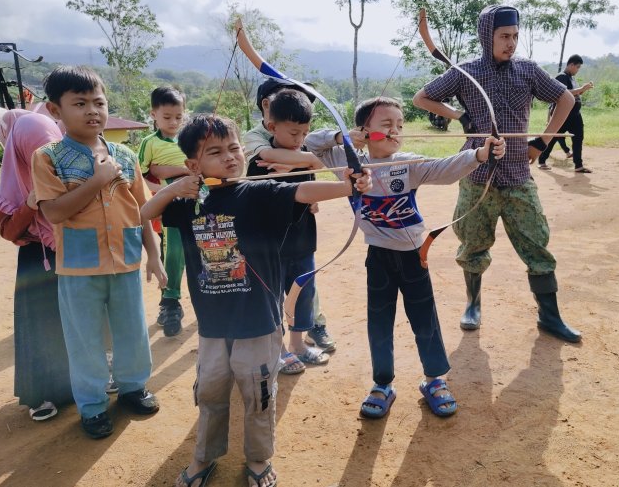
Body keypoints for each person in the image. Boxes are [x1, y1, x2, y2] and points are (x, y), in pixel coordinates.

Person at [140, 114, 371, 487]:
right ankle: (204, 457)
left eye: (233, 148)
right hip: (213, 325)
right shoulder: (188, 202)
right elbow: (143, 214)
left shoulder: (258, 192)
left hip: (259, 321)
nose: (230, 157)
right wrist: (174, 188)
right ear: (193, 165)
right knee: (211, 390)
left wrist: (348, 186)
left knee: (259, 392)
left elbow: (300, 192)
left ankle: (259, 460)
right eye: (215, 152)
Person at [303, 96, 505, 418]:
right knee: (379, 323)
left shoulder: (407, 163)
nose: (396, 131)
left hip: (413, 257)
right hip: (378, 258)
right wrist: (342, 138)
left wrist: (481, 154)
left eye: (400, 125)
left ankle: (434, 380)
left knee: (425, 320)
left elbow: (446, 169)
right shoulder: (346, 160)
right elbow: (312, 143)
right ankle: (382, 384)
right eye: (386, 125)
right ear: (364, 131)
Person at [413, 4, 582, 343]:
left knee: (537, 244)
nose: (511, 43)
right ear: (486, 36)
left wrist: (542, 142)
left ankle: (550, 316)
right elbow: (422, 98)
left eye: (515, 36)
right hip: (477, 178)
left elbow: (565, 99)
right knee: (473, 243)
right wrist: (459, 116)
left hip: (519, 174)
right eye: (504, 36)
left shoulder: (528, 70)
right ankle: (473, 304)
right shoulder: (466, 71)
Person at [31, 65, 167, 439]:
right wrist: (97, 180)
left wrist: (153, 256)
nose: (92, 110)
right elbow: (54, 211)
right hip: (78, 267)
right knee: (85, 341)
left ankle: (133, 388)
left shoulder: (125, 155)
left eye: (98, 102)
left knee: (132, 332)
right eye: (79, 103)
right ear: (55, 110)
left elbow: (143, 210)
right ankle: (91, 407)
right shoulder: (48, 156)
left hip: (125, 261)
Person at [245, 79, 336, 370]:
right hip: (270, 242)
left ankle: (298, 344)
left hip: (302, 237)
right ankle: (279, 350)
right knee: (272, 296)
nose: (300, 139)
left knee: (303, 291)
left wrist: (301, 165)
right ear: (271, 127)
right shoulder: (259, 160)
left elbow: (317, 168)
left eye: (305, 132)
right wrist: (302, 162)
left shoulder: (303, 151)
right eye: (294, 132)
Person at [0, 111, 73, 421]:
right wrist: (30, 205)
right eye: (37, 151)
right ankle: (41, 392)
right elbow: (8, 231)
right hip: (36, 261)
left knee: (80, 319)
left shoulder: (70, 167)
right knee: (42, 326)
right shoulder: (10, 184)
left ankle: (82, 383)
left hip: (72, 249)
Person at [138, 86, 189, 336]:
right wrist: (158, 190)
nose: (173, 122)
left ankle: (216, 297)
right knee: (174, 251)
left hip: (197, 201)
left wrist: (173, 171)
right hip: (169, 207)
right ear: (153, 115)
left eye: (178, 117)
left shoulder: (190, 138)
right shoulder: (149, 143)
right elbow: (137, 176)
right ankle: (170, 301)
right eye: (167, 117)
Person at [538, 54, 593, 172]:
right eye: (577, 67)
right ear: (571, 65)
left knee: (578, 138)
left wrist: (583, 89)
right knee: (553, 138)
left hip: (575, 115)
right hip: (564, 114)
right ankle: (542, 160)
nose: (578, 70)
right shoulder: (561, 77)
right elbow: (564, 93)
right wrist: (581, 89)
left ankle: (578, 165)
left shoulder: (572, 78)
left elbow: (575, 94)